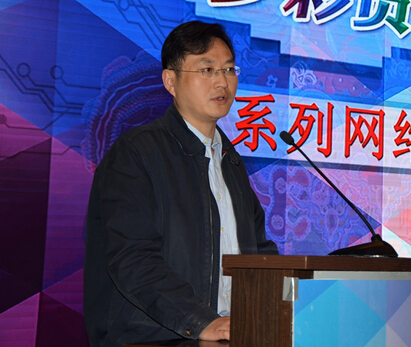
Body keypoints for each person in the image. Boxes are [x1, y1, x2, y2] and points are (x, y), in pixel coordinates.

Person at [84, 21, 279, 347]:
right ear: (170, 81)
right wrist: (201, 322)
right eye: (207, 69)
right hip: (155, 339)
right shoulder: (137, 154)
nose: (222, 81)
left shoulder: (229, 160)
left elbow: (257, 252)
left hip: (227, 336)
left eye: (229, 69)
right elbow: (133, 259)